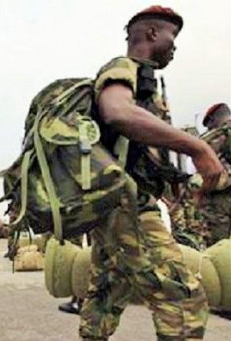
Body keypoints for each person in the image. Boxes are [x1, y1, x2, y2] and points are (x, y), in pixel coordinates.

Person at [78, 6, 224, 340]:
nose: (175, 46)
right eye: (173, 36)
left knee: (105, 296)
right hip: (127, 204)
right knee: (183, 298)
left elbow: (139, 150)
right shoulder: (123, 67)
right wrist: (198, 147)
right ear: (153, 33)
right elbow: (116, 112)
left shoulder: (146, 85)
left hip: (114, 205)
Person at [200, 103, 231, 247]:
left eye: (209, 125)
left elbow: (211, 173)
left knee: (220, 247)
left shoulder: (217, 136)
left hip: (221, 202)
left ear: (212, 120)